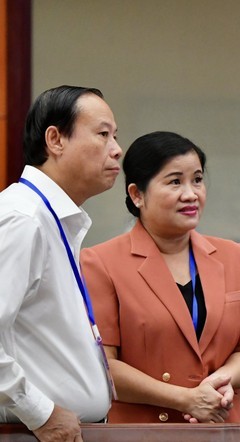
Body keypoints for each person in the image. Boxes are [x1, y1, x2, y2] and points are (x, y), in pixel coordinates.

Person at [80, 131, 240, 441]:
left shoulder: (234, 256)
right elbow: (104, 366)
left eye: (197, 180)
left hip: (220, 427)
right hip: (144, 432)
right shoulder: (100, 262)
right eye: (174, 182)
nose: (191, 194)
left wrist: (221, 381)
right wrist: (186, 399)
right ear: (137, 194)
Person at [0, 85, 122, 440]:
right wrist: (41, 413)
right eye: (103, 134)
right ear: (55, 140)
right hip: (30, 432)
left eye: (115, 136)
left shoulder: (52, 219)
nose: (117, 149)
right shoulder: (23, 218)